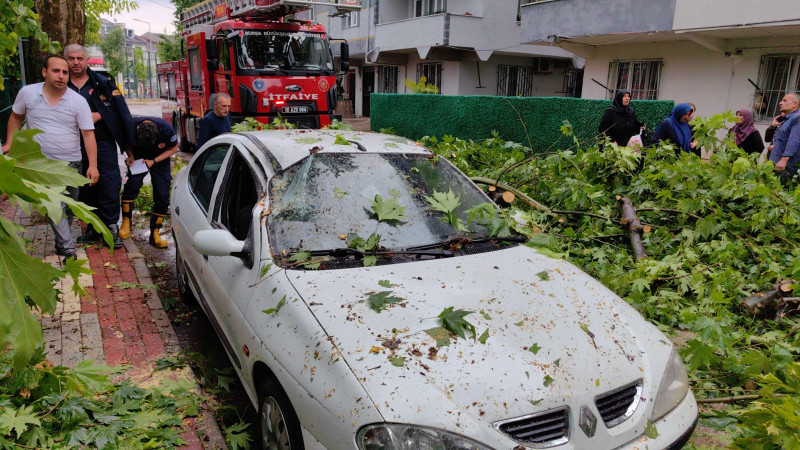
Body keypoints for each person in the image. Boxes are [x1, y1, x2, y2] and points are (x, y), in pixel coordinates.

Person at [2, 55, 99, 262]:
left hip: (71, 162)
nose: (61, 76)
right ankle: (68, 249)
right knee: (56, 205)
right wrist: (10, 143)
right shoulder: (28, 93)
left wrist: (92, 165)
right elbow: (16, 117)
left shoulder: (78, 101)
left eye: (65, 72)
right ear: (45, 72)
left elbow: (88, 134)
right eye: (56, 71)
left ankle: (60, 240)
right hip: (41, 164)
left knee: (70, 206)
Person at [65, 44, 135, 248]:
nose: (76, 62)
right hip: (73, 144)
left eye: (80, 58)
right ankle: (94, 228)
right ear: (66, 61)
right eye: (71, 58)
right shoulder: (60, 86)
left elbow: (121, 115)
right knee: (83, 187)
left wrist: (99, 115)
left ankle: (110, 227)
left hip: (103, 143)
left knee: (109, 184)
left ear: (87, 60)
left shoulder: (103, 84)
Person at [119, 117, 179, 248]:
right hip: (138, 158)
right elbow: (124, 143)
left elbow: (174, 149)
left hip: (159, 159)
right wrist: (130, 156)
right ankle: (126, 221)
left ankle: (155, 232)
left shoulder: (166, 129)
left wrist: (154, 161)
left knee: (162, 194)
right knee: (132, 185)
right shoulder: (129, 126)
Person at [768, 93, 800, 184]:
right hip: (777, 164)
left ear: (795, 104)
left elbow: (794, 140)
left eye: (785, 100)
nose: (780, 103)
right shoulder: (787, 119)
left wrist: (784, 160)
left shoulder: (797, 118)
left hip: (785, 167)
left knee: (778, 193)